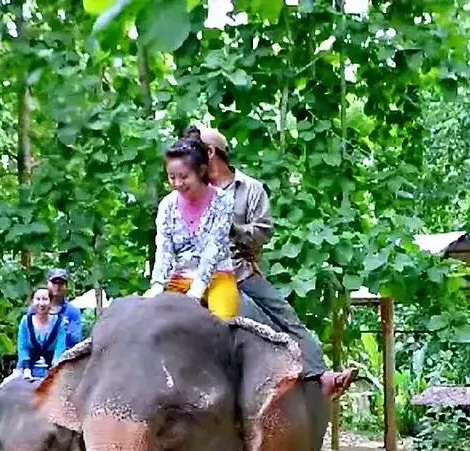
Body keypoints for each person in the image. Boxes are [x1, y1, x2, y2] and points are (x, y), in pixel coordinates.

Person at [192, 124, 357, 397]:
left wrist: (233, 229)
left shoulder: (251, 189)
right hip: (199, 275)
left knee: (284, 317)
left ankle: (320, 375)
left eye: (195, 151)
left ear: (210, 153)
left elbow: (263, 232)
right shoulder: (191, 187)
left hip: (241, 269)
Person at [143, 135, 240, 320]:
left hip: (217, 276)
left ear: (201, 171)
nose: (178, 183)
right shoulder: (167, 205)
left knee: (223, 324)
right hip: (179, 277)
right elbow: (164, 248)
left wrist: (196, 291)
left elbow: (214, 247)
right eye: (172, 177)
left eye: (184, 177)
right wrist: (157, 286)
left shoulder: (222, 201)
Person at [15, 286, 67, 380]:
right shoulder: (25, 321)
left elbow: (60, 347)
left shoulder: (60, 322)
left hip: (52, 369)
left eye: (45, 299)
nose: (41, 303)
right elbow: (22, 347)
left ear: (50, 302)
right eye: (38, 299)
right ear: (32, 301)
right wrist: (26, 370)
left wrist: (54, 369)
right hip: (27, 369)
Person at [30, 267, 83, 348]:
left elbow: (75, 339)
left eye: (61, 283)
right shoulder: (35, 308)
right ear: (47, 283)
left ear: (66, 286)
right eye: (54, 282)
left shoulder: (73, 311)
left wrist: (59, 328)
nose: (57, 286)